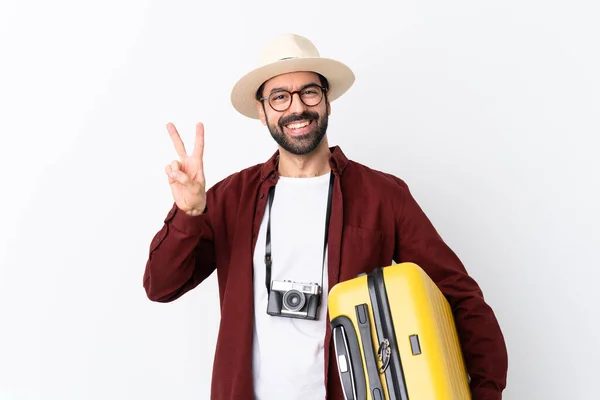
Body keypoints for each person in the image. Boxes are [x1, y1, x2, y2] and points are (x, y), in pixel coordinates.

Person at [143, 33, 508, 400]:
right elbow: (161, 286)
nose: (296, 108)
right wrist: (188, 214)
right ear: (263, 111)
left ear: (327, 101)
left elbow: (460, 296)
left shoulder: (382, 195)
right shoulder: (229, 198)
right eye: (280, 97)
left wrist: (485, 391)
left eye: (309, 92)